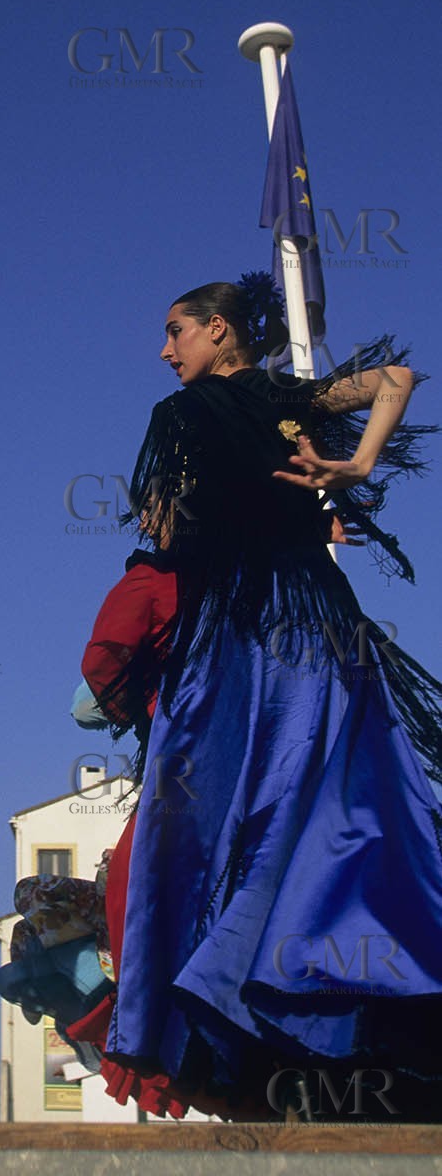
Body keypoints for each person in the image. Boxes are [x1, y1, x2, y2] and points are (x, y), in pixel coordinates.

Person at [96, 275, 442, 1120]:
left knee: (224, 814)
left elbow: (170, 527)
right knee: (345, 807)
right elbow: (395, 377)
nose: (165, 349)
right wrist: (351, 464)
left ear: (219, 332)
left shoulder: (179, 416)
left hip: (244, 633)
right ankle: (341, 1004)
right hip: (326, 628)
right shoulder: (293, 397)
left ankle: (237, 1013)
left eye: (177, 331)